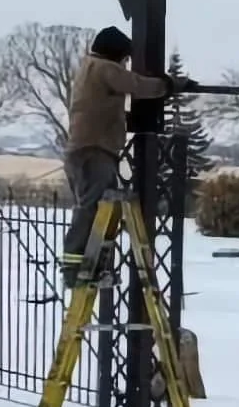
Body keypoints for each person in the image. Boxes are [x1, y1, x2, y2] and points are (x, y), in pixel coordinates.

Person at [62, 28, 194, 282]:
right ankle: (75, 267)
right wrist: (170, 85)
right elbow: (137, 85)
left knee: (99, 208)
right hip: (94, 151)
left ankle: (93, 267)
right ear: (116, 53)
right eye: (125, 58)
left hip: (87, 149)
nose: (126, 63)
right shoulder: (105, 69)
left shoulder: (89, 69)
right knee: (91, 207)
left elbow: (104, 108)